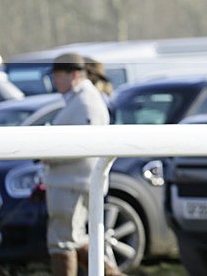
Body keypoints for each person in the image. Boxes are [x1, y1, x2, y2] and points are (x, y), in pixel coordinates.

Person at [43, 53, 123, 276]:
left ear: (74, 75)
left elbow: (82, 145)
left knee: (63, 242)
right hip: (70, 181)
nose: (55, 81)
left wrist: (47, 154)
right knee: (74, 240)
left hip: (72, 183)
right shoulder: (80, 99)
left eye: (58, 76)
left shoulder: (86, 102)